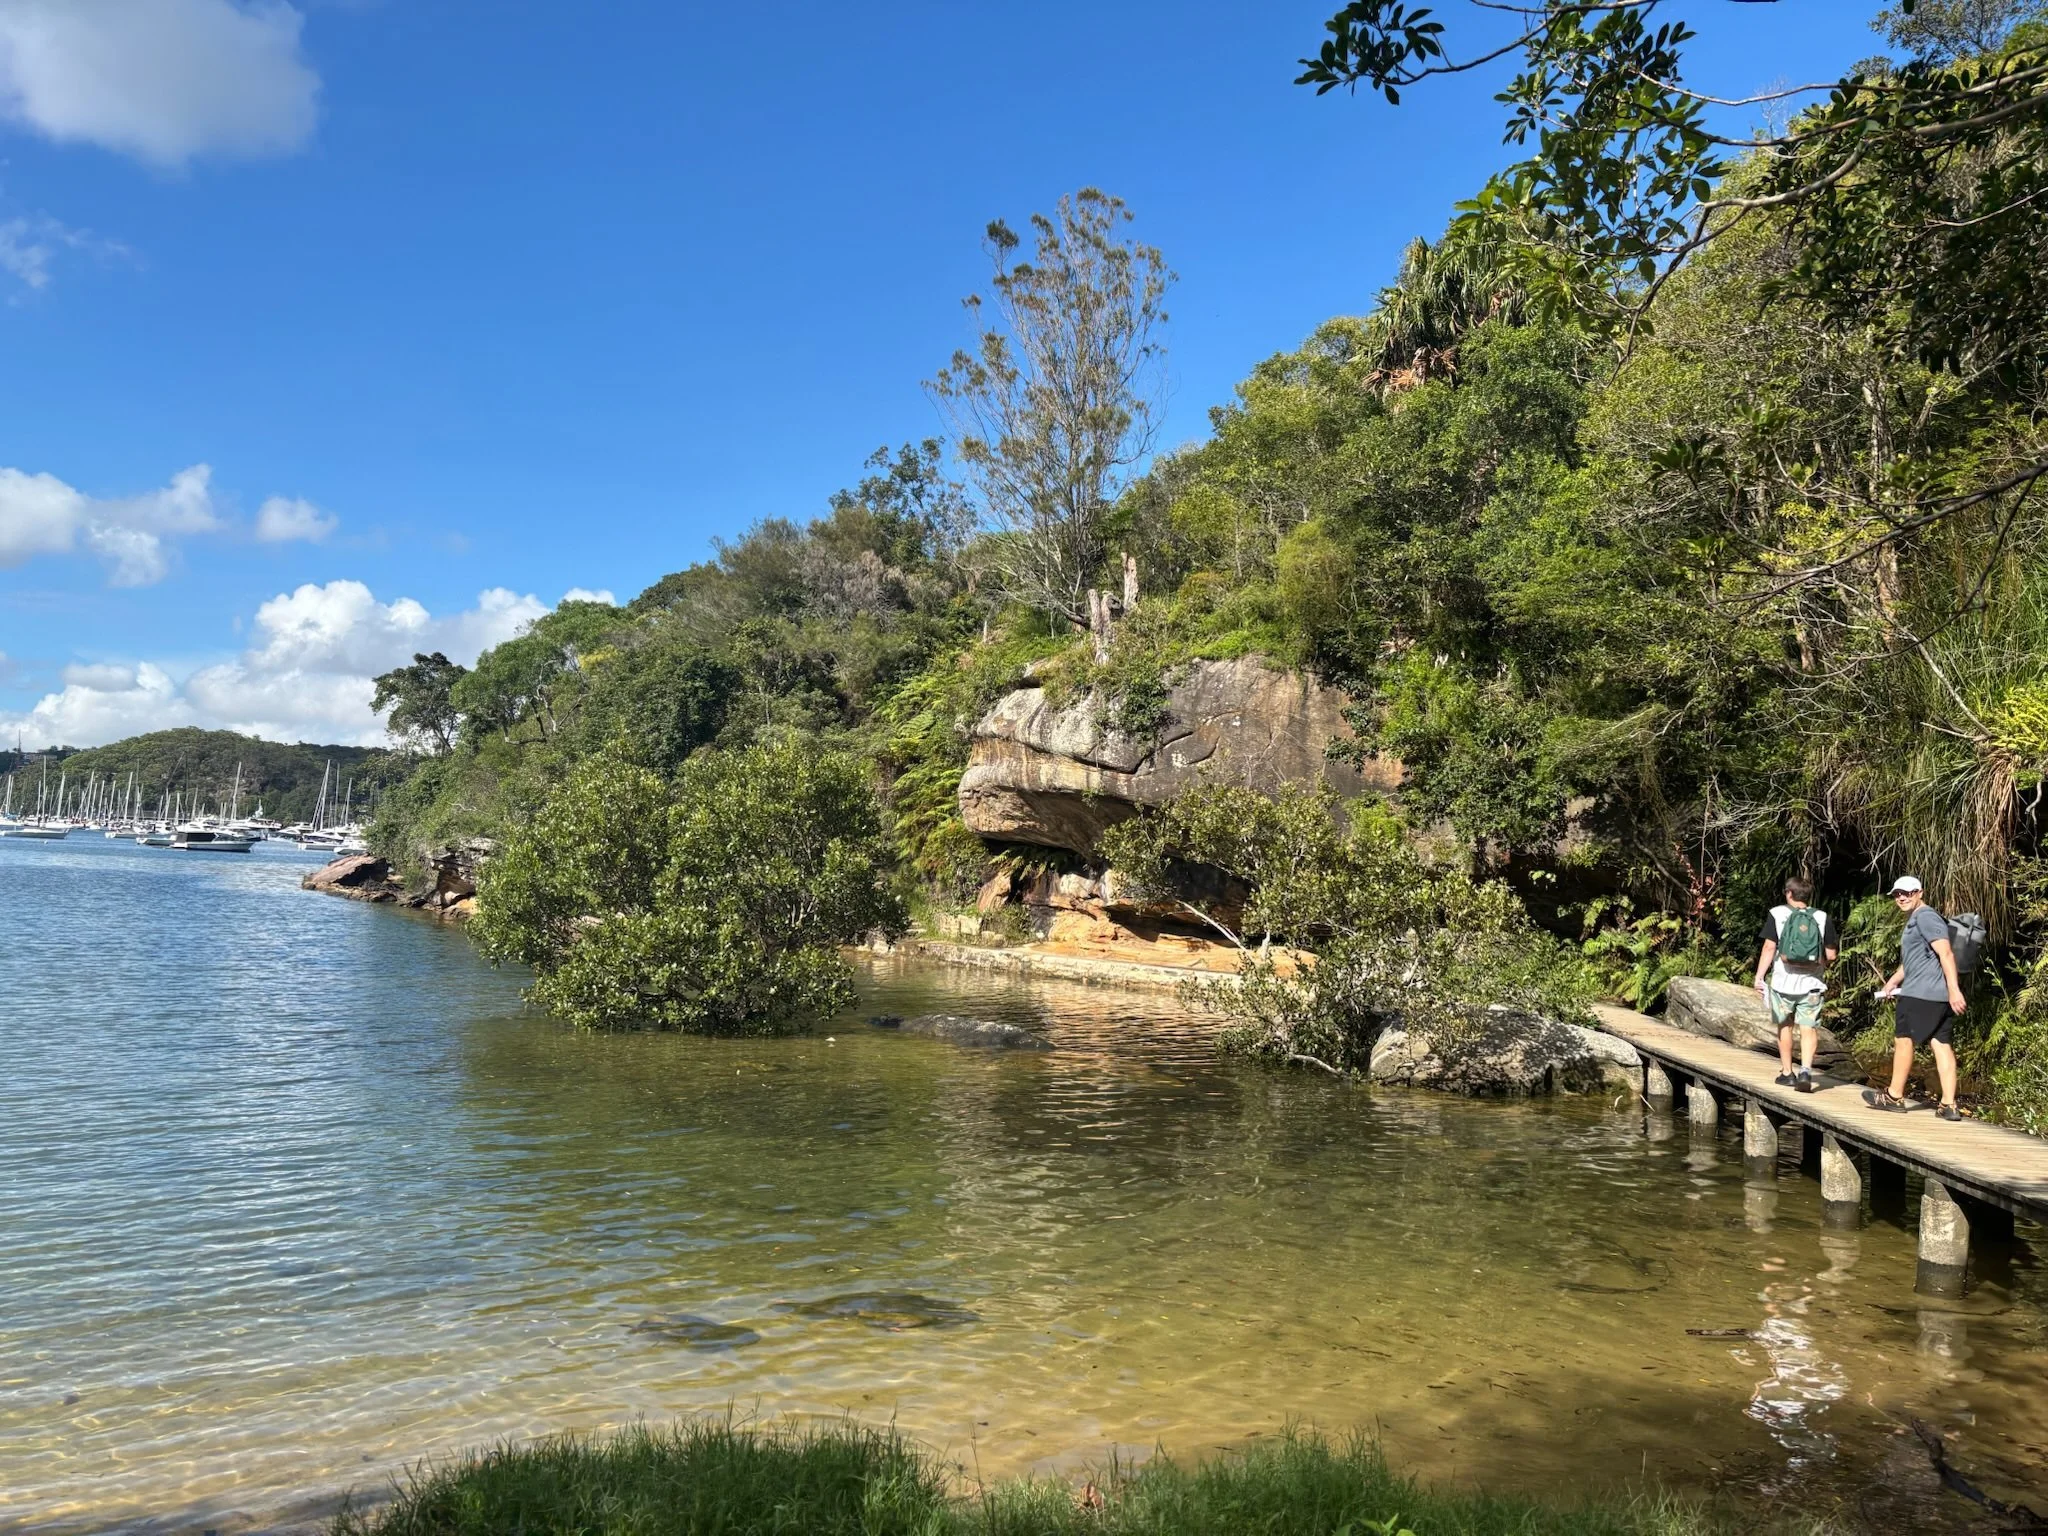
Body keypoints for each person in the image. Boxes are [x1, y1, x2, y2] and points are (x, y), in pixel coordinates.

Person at [1869, 876, 1966, 1121]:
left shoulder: (1925, 916)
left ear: (1919, 892)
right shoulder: (1917, 918)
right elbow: (1916, 959)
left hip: (1921, 994)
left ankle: (1893, 1096)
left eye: (1908, 893)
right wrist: (1893, 980)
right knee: (1940, 1043)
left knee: (1904, 1040)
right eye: (1897, 894)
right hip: (1934, 995)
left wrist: (1954, 990)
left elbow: (1945, 953)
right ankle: (1948, 1105)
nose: (1901, 897)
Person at [1753, 875, 1836, 1093]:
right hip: (1812, 985)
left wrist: (1759, 977)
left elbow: (1769, 948)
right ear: (1808, 896)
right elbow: (1832, 954)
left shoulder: (1777, 914)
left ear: (1789, 893)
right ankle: (1806, 1071)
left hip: (1782, 984)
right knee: (1808, 1028)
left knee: (1785, 1026)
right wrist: (1817, 964)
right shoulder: (1821, 917)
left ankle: (1787, 1073)